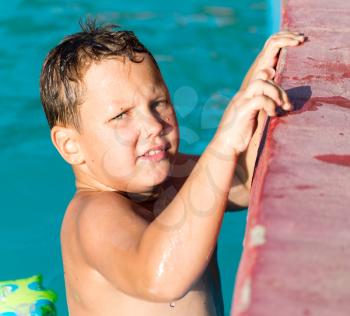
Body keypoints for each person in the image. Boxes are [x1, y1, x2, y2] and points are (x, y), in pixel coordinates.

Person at [40, 20, 304, 316]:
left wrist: (256, 88)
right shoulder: (93, 216)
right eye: (121, 115)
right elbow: (159, 279)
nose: (153, 125)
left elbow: (242, 182)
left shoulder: (172, 177)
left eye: (158, 103)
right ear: (70, 146)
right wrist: (222, 146)